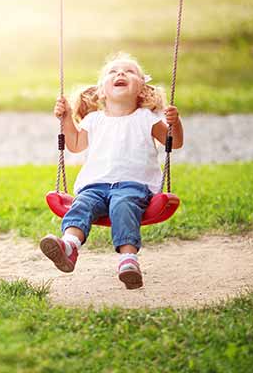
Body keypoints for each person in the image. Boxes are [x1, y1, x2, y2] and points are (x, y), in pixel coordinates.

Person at [40, 53, 184, 289]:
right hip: (94, 186)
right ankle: (68, 246)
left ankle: (128, 260)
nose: (120, 74)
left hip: (133, 186)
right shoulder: (93, 120)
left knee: (123, 206)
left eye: (129, 72)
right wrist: (66, 117)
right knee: (81, 205)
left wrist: (174, 123)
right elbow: (75, 144)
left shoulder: (147, 118)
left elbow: (174, 142)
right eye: (113, 71)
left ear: (142, 89)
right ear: (102, 91)